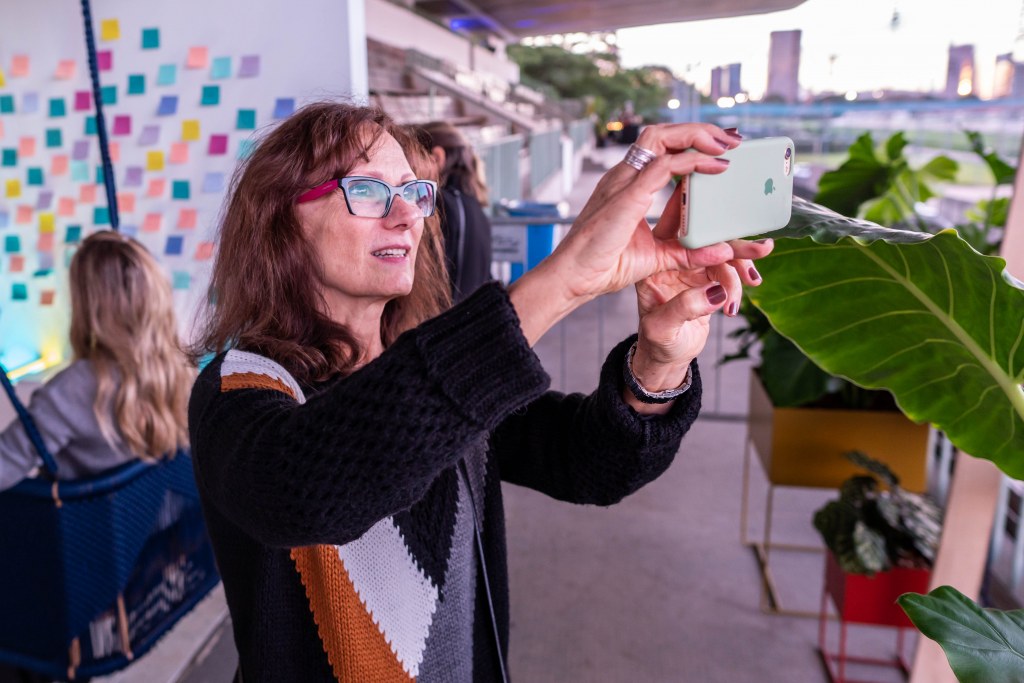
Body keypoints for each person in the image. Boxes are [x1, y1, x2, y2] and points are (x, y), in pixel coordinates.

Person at [187, 100, 771, 682]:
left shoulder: (434, 371)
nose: (405, 216)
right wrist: (565, 279)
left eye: (413, 192)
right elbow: (306, 490)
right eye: (366, 191)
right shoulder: (238, 391)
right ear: (280, 219)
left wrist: (660, 361)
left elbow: (589, 462)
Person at [0, 230, 193, 488]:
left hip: (73, 515)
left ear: (89, 304)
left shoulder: (74, 388)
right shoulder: (181, 370)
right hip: (153, 512)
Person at [413, 121, 494, 301]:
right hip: (470, 316)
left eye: (413, 160)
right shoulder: (476, 208)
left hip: (443, 316)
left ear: (437, 157)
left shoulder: (439, 204)